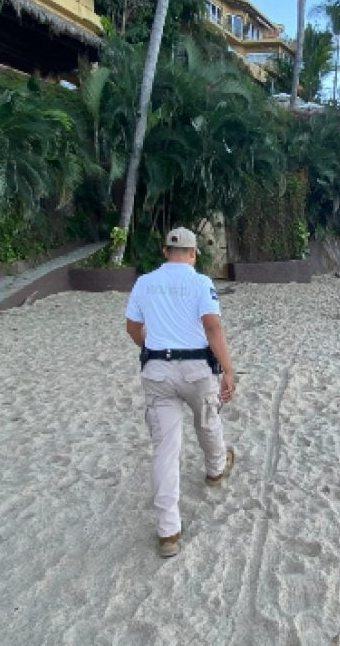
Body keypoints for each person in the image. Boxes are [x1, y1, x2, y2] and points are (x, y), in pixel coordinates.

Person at [124, 228, 236, 558]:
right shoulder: (201, 282)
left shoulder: (144, 282)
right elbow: (213, 327)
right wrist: (228, 369)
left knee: (165, 448)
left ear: (164, 252)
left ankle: (168, 531)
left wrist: (154, 348)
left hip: (157, 372)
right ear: (193, 253)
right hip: (197, 371)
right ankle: (216, 469)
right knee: (207, 422)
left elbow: (132, 327)